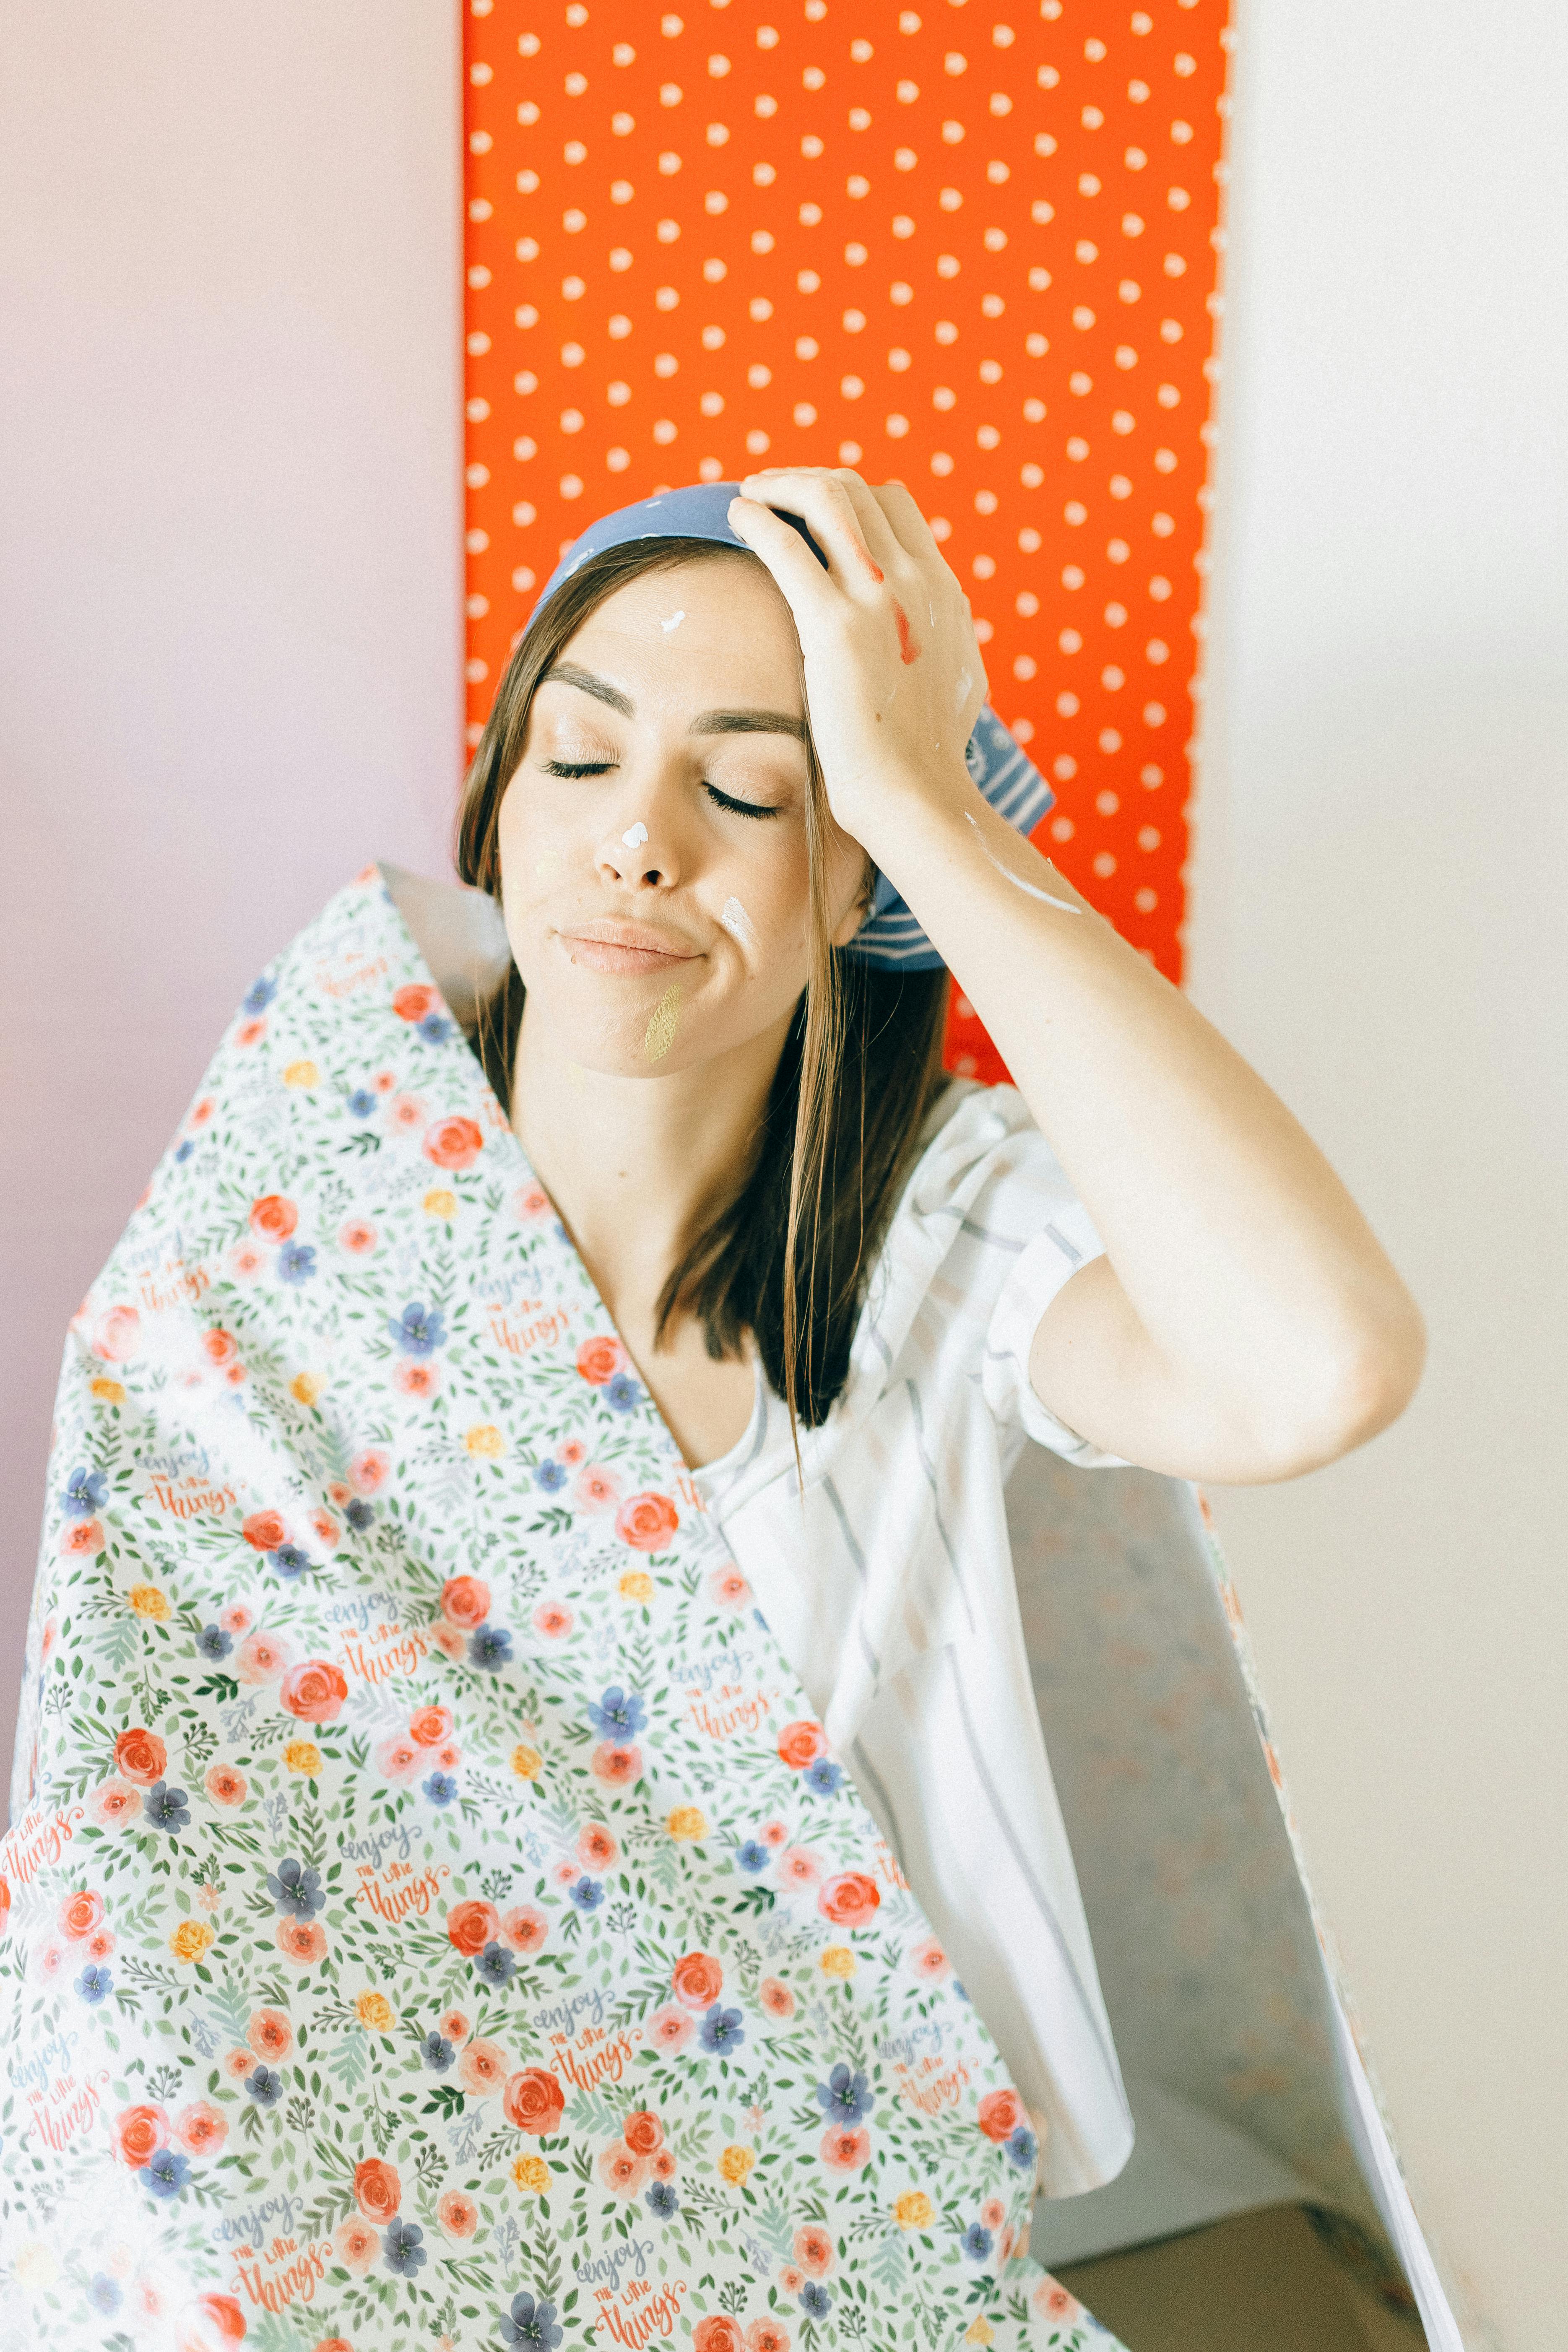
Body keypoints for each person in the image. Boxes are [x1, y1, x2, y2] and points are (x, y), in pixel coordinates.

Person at [3, 469, 1426, 2352]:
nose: (637, 845)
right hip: (318, 2261)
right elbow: (135, 1841)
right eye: (575, 763)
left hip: (846, 2266)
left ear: (861, 880)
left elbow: (1313, 1360)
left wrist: (919, 793)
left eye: (751, 789)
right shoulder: (294, 1190)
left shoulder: (939, 1239)